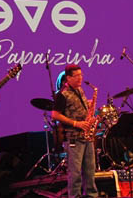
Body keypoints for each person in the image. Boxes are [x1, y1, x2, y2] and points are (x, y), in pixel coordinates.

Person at [51, 65, 97, 198]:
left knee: (90, 170)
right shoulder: (62, 94)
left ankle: (92, 195)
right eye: (76, 76)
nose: (80, 78)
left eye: (81, 75)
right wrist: (76, 123)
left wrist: (88, 105)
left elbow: (77, 106)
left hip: (86, 135)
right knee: (75, 173)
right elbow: (55, 115)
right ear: (68, 78)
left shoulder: (79, 89)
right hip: (74, 137)